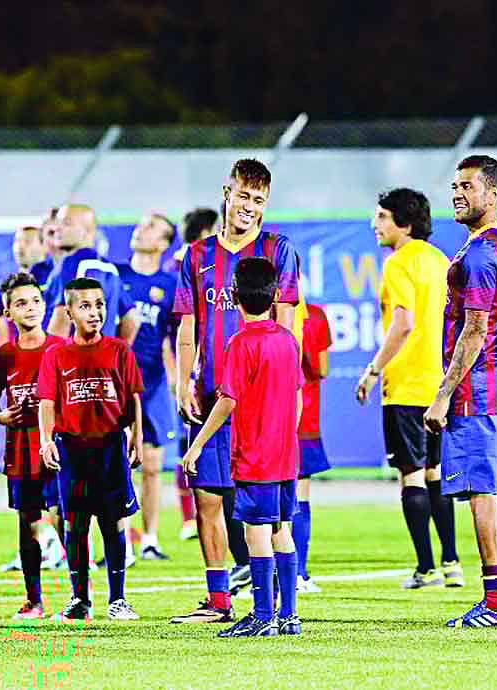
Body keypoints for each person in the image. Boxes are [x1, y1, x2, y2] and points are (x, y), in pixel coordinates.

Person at [171, 159, 303, 623]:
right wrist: (184, 379)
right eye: (243, 196)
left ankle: (274, 609)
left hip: (259, 404)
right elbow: (187, 328)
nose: (249, 208)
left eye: (258, 200)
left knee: (270, 516)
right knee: (207, 496)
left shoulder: (277, 250)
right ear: (226, 192)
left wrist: (286, 400)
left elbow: (285, 328)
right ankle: (220, 600)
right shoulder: (195, 256)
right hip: (210, 396)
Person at [424, 155, 497, 628]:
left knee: (483, 496)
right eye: (455, 186)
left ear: (493, 194)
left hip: (477, 389)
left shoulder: (481, 255)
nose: (458, 194)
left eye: (468, 186)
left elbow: (475, 329)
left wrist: (444, 393)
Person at [184, 257, 303, 638]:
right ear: (275, 296)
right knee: (282, 531)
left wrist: (198, 444)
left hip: (255, 456)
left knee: (255, 533)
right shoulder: (287, 339)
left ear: (233, 295)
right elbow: (297, 396)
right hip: (286, 456)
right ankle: (289, 615)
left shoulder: (240, 343)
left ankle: (263, 615)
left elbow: (228, 400)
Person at [356, 188, 462, 589]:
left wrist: (372, 370)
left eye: (382, 216)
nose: (375, 224)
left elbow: (403, 324)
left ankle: (426, 569)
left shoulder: (399, 263)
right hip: (438, 387)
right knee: (436, 474)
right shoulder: (440, 261)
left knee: (411, 476)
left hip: (405, 386)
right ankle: (452, 564)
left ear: (404, 223)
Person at [38, 277, 144, 622]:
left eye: (99, 304)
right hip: (72, 448)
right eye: (85, 306)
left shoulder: (119, 350)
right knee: (76, 525)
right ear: (69, 311)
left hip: (111, 445)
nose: (95, 312)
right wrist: (46, 439)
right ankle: (79, 599)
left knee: (113, 522)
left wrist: (136, 436)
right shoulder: (56, 354)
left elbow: (133, 397)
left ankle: (118, 599)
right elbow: (47, 401)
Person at [0, 272, 65, 619]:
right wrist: (0, 417)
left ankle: (82, 595)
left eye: (35, 301)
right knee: (28, 520)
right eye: (20, 303)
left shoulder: (61, 348)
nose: (29, 308)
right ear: (8, 313)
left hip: (57, 445)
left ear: (44, 305)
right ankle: (34, 600)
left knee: (66, 518)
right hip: (20, 446)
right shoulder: (4, 355)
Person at [118, 213, 179, 560]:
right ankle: (121, 538)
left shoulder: (169, 285)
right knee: (118, 464)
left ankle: (151, 537)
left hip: (152, 383)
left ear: (163, 242)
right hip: (116, 382)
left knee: (153, 464)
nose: (141, 229)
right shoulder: (116, 276)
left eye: (151, 226)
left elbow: (177, 336)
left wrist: (177, 379)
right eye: (140, 223)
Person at [169, 207, 220, 541]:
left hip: (188, 368)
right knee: (193, 445)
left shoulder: (188, 264)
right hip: (193, 368)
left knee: (190, 445)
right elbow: (183, 325)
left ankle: (192, 518)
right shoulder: (193, 266)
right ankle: (192, 518)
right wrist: (181, 375)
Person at [45, 204, 138, 344]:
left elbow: (62, 319)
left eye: (66, 223)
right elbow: (132, 320)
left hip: (72, 362)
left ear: (87, 230)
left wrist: (48, 362)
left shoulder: (71, 264)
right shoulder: (110, 269)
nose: (57, 228)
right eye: (57, 222)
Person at [294, 302, 332, 593]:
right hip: (304, 418)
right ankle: (299, 573)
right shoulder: (314, 316)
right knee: (300, 494)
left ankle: (253, 570)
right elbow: (321, 368)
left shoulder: (260, 311)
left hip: (266, 419)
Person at [0, 220, 55, 358]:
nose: (20, 247)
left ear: (45, 246)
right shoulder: (5, 286)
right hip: (20, 366)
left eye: (27, 241)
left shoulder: (56, 278)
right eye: (17, 241)